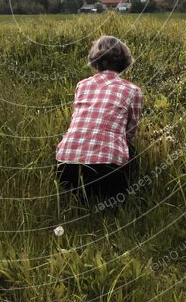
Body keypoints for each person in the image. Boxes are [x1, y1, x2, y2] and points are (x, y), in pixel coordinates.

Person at [56, 35, 143, 205]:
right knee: (132, 152)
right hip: (107, 170)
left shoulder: (82, 85)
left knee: (78, 201)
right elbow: (130, 134)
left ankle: (79, 200)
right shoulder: (133, 90)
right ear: (124, 61)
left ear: (95, 60)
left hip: (65, 166)